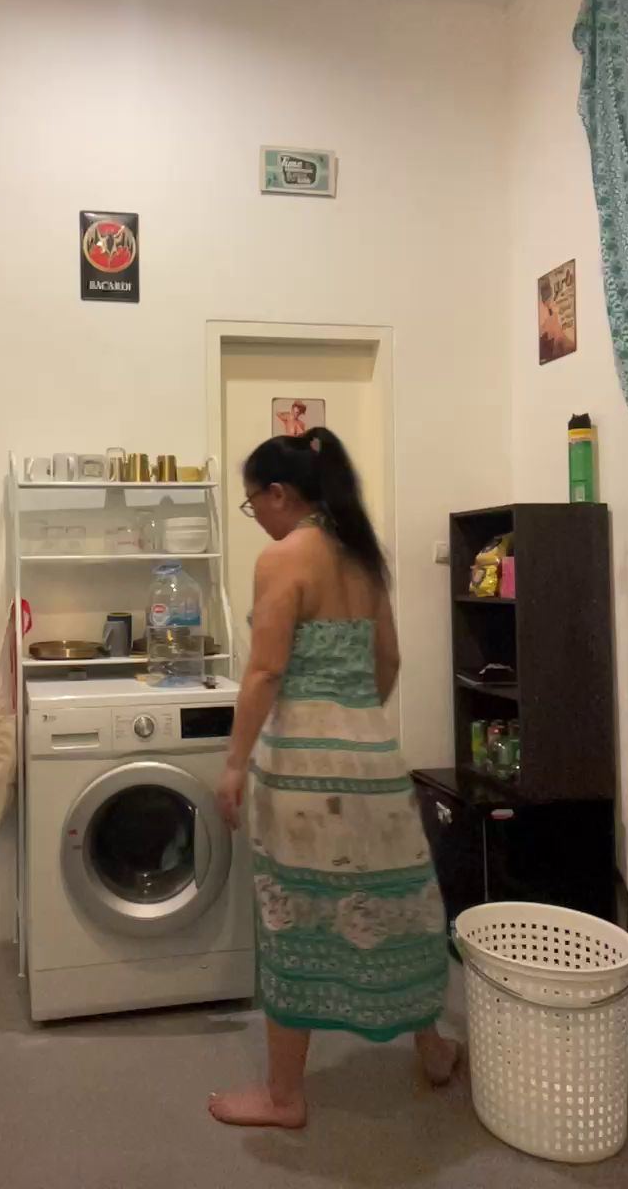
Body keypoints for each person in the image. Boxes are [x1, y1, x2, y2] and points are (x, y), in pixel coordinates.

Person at [209, 427, 456, 1129]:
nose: (255, 515)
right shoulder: (362, 557)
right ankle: (434, 1048)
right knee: (399, 902)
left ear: (280, 493)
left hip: (300, 766)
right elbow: (389, 661)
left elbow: (265, 670)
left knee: (294, 916)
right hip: (374, 757)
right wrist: (355, 724)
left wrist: (234, 763)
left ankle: (284, 1096)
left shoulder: (282, 558)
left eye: (252, 501)